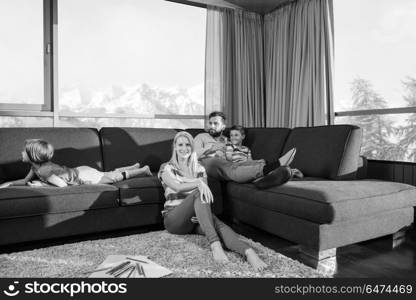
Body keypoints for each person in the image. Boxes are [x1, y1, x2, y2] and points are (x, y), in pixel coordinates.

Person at [158, 131, 267, 271]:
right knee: (199, 191)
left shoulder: (199, 169)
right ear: (175, 146)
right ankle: (215, 245)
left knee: (218, 224)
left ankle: (248, 252)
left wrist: (199, 212)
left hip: (194, 221)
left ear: (192, 147)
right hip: (174, 220)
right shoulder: (166, 167)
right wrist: (198, 182)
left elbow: (205, 195)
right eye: (180, 145)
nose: (184, 148)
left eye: (188, 145)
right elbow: (177, 187)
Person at [194, 111, 297, 189]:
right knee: (224, 165)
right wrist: (211, 149)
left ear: (223, 127)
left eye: (215, 123)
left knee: (255, 162)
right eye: (210, 123)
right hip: (207, 164)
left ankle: (265, 178)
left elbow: (234, 156)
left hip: (226, 165)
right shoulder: (201, 136)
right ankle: (274, 166)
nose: (211, 126)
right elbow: (192, 155)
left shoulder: (226, 140)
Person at [0, 139, 152, 188]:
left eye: (23, 151)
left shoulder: (45, 171)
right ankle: (134, 166)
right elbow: (25, 181)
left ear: (32, 156)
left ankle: (142, 170)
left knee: (113, 178)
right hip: (80, 170)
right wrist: (10, 184)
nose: (20, 153)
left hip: (84, 175)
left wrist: (42, 185)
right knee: (108, 173)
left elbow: (63, 185)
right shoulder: (35, 167)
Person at [226, 125, 303, 178]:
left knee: (262, 162)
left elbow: (250, 161)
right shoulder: (230, 146)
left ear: (243, 136)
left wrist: (254, 162)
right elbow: (229, 158)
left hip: (246, 165)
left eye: (236, 135)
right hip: (237, 166)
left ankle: (290, 172)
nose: (233, 137)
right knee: (260, 167)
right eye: (231, 135)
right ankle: (286, 170)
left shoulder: (246, 149)